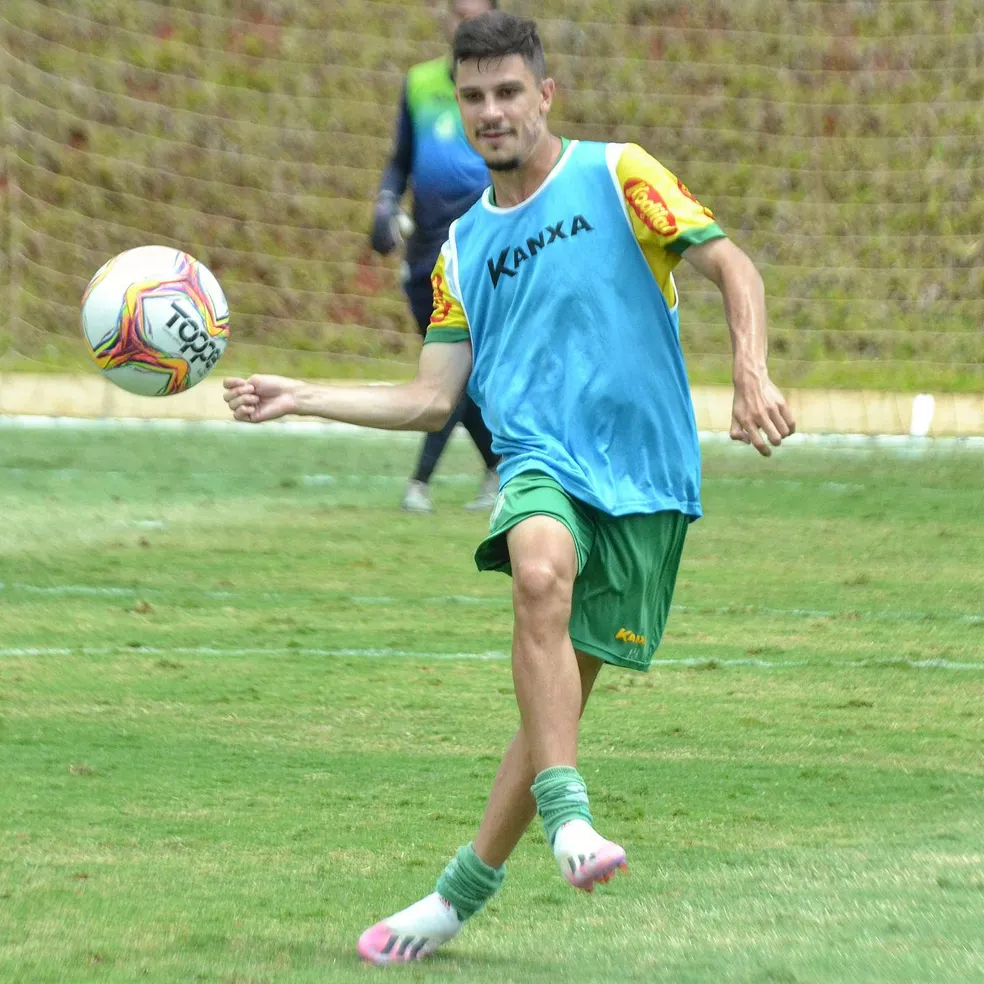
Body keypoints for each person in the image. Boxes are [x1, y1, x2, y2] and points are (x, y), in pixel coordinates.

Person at [224, 10, 796, 968]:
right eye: (474, 97)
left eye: (507, 93)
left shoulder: (620, 174)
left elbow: (729, 262)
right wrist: (299, 395)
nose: (491, 112)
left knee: (555, 708)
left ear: (543, 95)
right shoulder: (459, 254)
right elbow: (429, 400)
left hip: (649, 481)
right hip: (541, 464)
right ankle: (572, 819)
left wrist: (751, 369)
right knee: (537, 570)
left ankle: (456, 896)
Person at [370, 0, 501, 514]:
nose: (465, 25)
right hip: (425, 249)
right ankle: (496, 470)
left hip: (483, 245)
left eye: (475, 16)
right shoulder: (420, 82)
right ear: (444, 18)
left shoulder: (499, 95)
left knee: (454, 366)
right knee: (451, 366)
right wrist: (385, 205)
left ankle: (419, 482)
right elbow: (399, 160)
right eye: (458, 14)